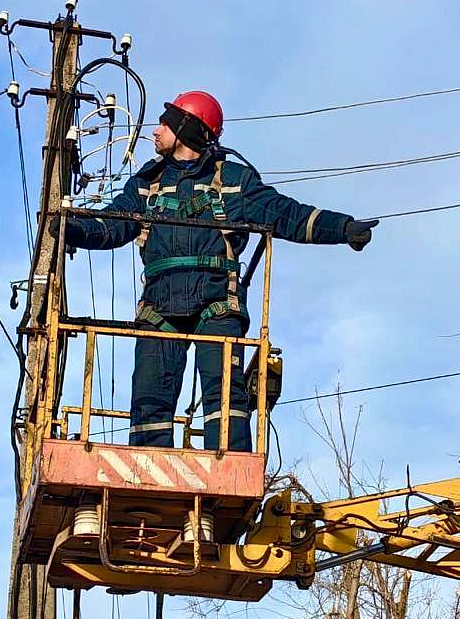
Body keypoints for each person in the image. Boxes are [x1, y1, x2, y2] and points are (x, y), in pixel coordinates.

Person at [60, 90, 377, 452]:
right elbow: (113, 225)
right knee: (149, 399)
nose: (156, 130)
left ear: (186, 129)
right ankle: (146, 475)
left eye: (166, 123)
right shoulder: (145, 185)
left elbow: (284, 214)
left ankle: (227, 468)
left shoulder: (234, 182)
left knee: (225, 397)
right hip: (159, 306)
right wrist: (75, 228)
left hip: (217, 304)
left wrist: (342, 228)